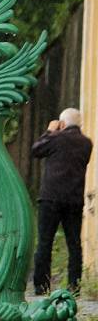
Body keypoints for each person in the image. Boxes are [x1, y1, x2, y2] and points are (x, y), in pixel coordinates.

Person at [31, 108, 93, 296]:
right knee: (74, 245)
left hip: (51, 199)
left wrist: (50, 131)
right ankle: (74, 288)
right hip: (74, 200)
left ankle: (42, 286)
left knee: (44, 243)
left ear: (62, 124)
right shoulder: (86, 143)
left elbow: (36, 150)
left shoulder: (55, 138)